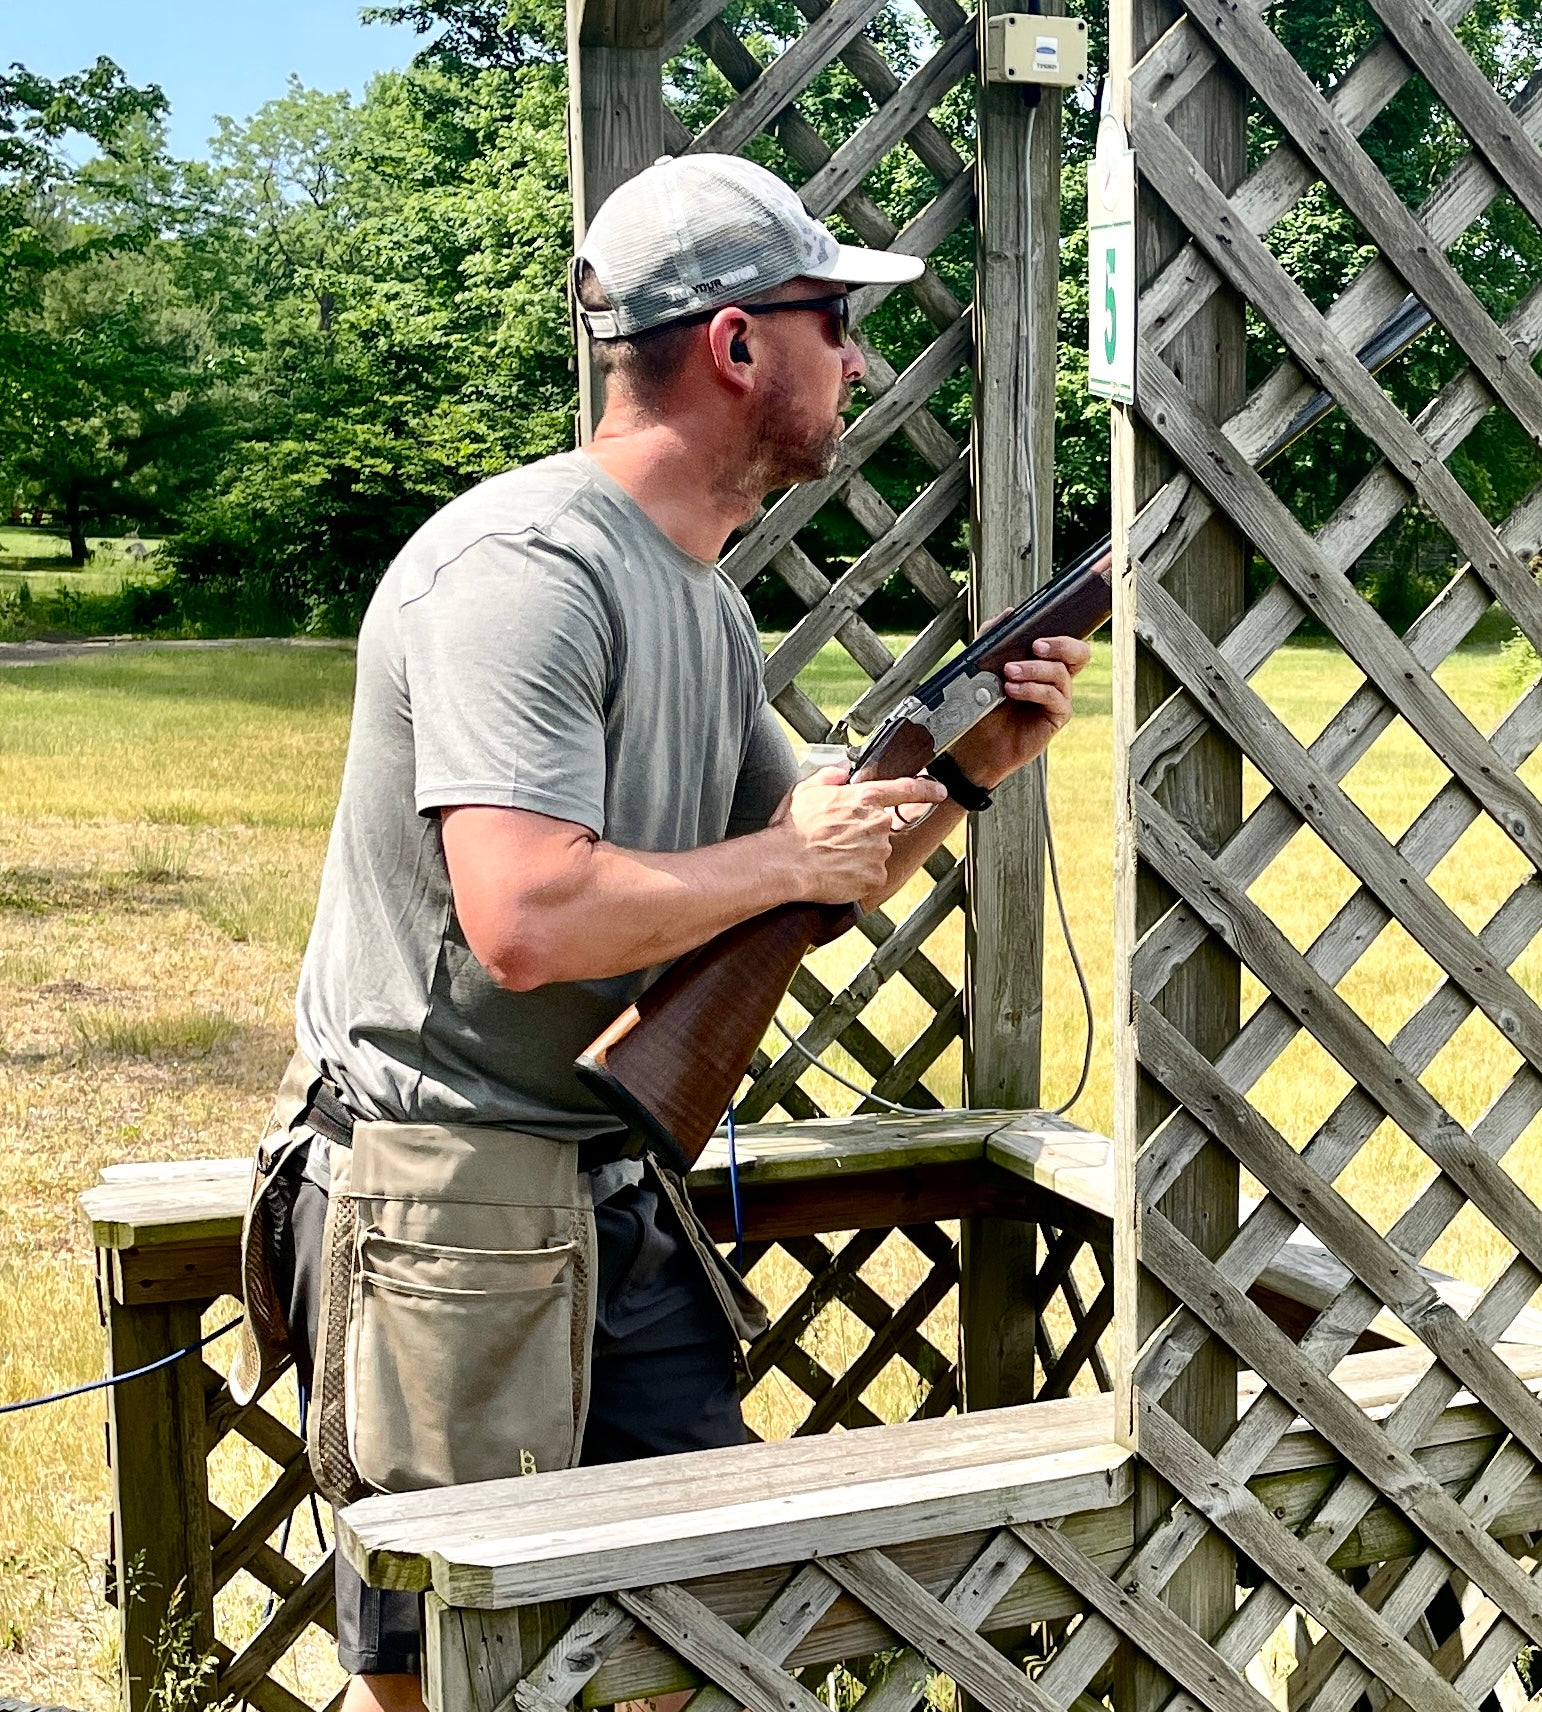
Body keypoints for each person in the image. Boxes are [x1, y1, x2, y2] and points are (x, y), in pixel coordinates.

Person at [233, 152, 1091, 1712]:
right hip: (455, 1206)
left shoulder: (696, 597)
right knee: (449, 1673)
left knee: (683, 1638)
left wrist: (962, 776)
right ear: (735, 343)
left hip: (608, 1191)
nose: (859, 358)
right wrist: (786, 847)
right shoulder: (524, 573)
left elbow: (813, 870)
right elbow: (527, 917)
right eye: (832, 319)